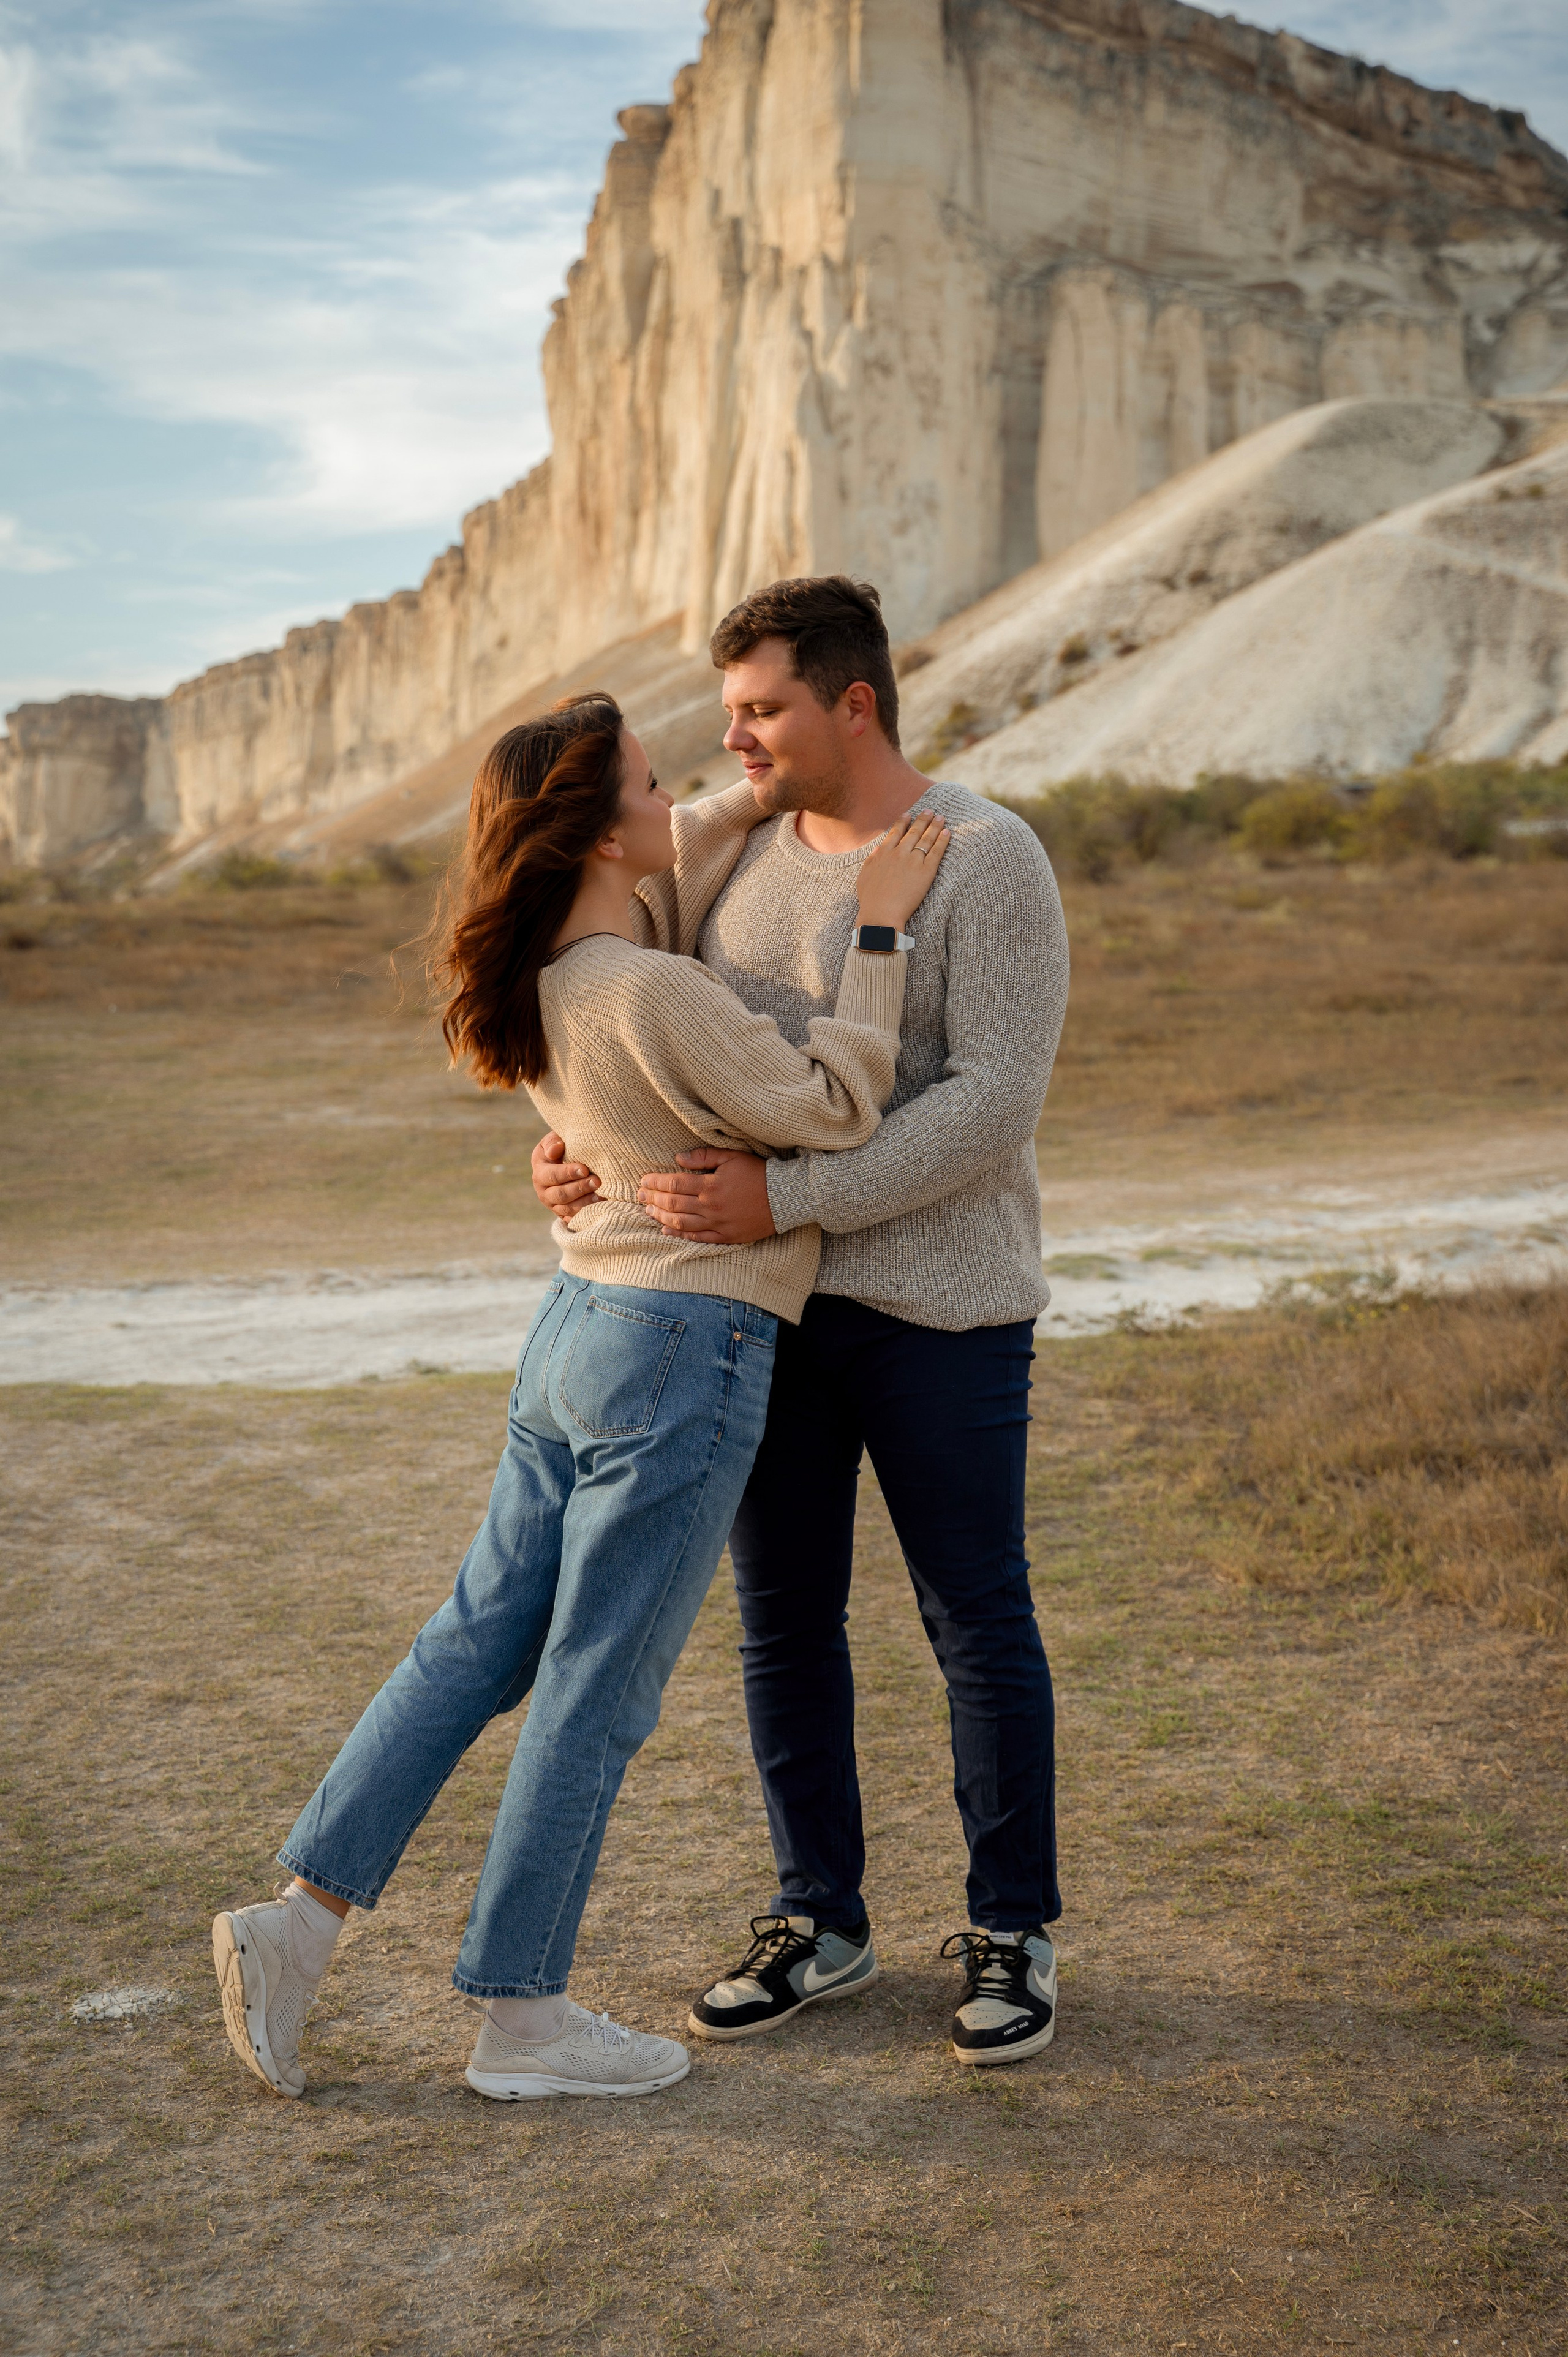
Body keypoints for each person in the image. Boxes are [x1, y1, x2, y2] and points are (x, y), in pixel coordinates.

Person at [212, 692, 949, 2103]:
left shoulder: (545, 977)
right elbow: (836, 1104)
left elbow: (657, 886)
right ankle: (522, 2014)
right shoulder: (653, 990)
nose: (686, 795)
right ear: (604, 830)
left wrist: (722, 811)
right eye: (653, 781)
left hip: (575, 1329)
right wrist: (877, 925)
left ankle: (296, 1920)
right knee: (593, 1689)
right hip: (681, 1348)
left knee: (474, 1643)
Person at [533, 576, 1070, 2068]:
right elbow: (626, 1027)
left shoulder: (986, 855)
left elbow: (989, 1099)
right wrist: (573, 1149)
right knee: (781, 1626)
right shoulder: (732, 854)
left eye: (762, 707)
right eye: (727, 711)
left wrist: (792, 1200)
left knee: (974, 1619)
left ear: (854, 703)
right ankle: (816, 1917)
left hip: (946, 1308)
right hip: (754, 1319)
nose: (735, 735)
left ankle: (1011, 1929)